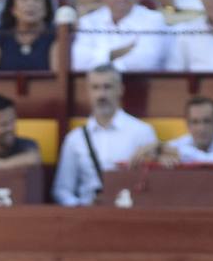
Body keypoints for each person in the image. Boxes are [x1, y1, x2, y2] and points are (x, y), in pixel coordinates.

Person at [52, 64, 157, 206]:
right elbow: (62, 190)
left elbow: (153, 184)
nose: (101, 95)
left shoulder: (142, 132)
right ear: (88, 92)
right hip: (86, 220)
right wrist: (82, 207)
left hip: (130, 215)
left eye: (107, 87)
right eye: (95, 87)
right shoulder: (74, 139)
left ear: (120, 89)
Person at [70, 0, 170, 71]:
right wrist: (115, 54)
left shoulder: (154, 19)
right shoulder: (88, 21)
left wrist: (101, 59)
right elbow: (78, 61)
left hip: (140, 84)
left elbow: (145, 61)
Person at [131, 95, 213, 165]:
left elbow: (212, 162)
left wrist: (169, 150)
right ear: (187, 124)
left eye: (207, 121)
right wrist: (158, 155)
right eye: (195, 122)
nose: (201, 128)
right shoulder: (183, 142)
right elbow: (163, 150)